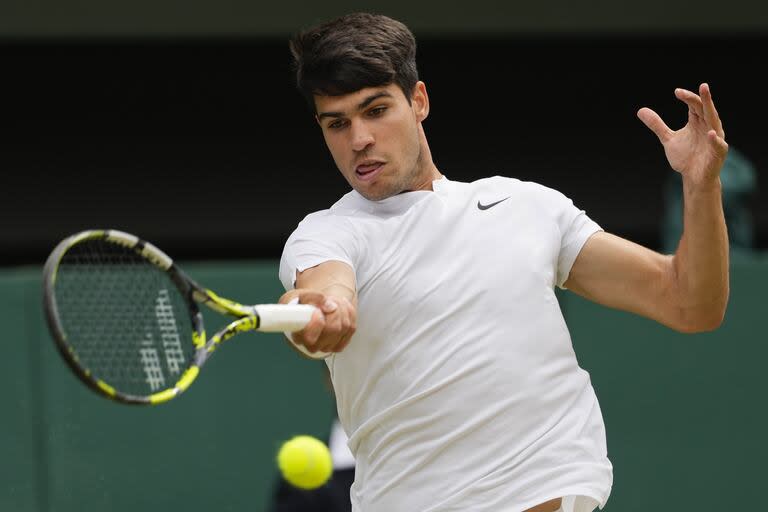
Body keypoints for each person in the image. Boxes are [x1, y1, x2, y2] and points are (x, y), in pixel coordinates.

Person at [277, 12, 729, 512]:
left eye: (376, 110)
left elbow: (690, 303)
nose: (359, 138)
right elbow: (322, 290)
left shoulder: (526, 206)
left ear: (419, 101)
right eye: (337, 123)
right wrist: (320, 310)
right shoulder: (326, 234)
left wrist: (701, 187)